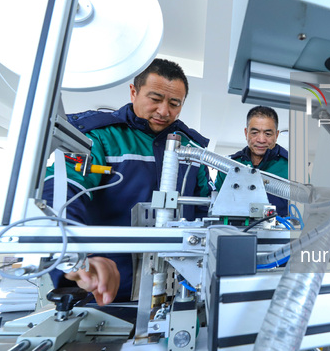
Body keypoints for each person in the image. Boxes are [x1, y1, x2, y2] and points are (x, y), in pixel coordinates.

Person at [43, 59, 213, 305]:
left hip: (179, 289)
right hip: (106, 289)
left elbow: (206, 211)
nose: (164, 111)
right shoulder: (98, 138)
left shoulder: (192, 149)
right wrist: (76, 256)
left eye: (174, 103)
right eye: (155, 99)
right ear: (134, 92)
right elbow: (63, 194)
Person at [214, 105, 289, 216]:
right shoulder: (229, 166)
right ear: (246, 133)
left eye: (268, 134)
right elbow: (216, 208)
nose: (261, 140)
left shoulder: (293, 168)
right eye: (255, 133)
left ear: (276, 135)